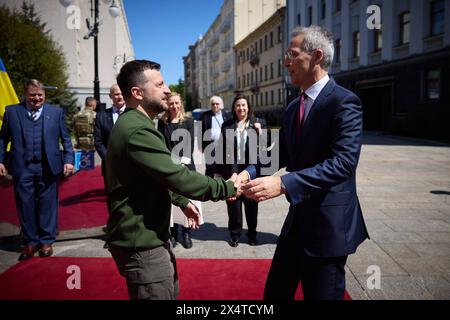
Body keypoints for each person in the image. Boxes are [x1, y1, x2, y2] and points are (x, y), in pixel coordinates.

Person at [236, 25, 369, 300]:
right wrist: (247, 174)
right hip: (297, 221)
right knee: (274, 292)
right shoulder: (293, 106)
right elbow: (280, 153)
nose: (286, 62)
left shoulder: (344, 102)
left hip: (328, 227)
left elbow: (343, 163)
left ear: (317, 56)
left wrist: (283, 183)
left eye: (292, 55)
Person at [106, 60, 238, 300]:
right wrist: (227, 187)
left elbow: (154, 176)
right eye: (160, 84)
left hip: (149, 239)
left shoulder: (138, 124)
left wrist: (180, 201)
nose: (167, 89)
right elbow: (177, 175)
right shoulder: (137, 130)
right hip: (143, 246)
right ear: (137, 93)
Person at [0, 79, 74, 261]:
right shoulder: (12, 112)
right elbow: (2, 139)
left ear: (44, 95)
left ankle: (46, 241)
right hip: (22, 167)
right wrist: (0, 160)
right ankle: (30, 242)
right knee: (25, 205)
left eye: (40, 95)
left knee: (48, 204)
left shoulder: (55, 113)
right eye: (32, 95)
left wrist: (69, 160)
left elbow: (66, 139)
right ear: (25, 94)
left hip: (48, 166)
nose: (36, 98)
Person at [216, 95, 265, 247]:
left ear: (248, 107)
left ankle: (252, 234)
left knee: (251, 205)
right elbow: (220, 149)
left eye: (244, 105)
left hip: (251, 172)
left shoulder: (259, 124)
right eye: (238, 105)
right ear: (234, 108)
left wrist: (261, 133)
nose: (241, 108)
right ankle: (235, 234)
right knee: (233, 207)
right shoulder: (227, 125)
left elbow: (267, 148)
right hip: (232, 172)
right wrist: (217, 171)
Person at [157, 92, 201, 249]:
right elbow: (161, 145)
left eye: (176, 103)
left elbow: (189, 145)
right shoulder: (162, 122)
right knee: (172, 201)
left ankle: (187, 233)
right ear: (167, 105)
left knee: (187, 199)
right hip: (169, 167)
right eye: (171, 104)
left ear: (181, 103)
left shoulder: (189, 121)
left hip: (186, 167)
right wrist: (169, 165)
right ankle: (174, 233)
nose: (174, 106)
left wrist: (182, 164)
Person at [94, 84, 125, 191]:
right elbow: (98, 142)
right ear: (110, 96)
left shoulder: (134, 113)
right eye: (116, 94)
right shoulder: (101, 116)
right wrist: (109, 159)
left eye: (122, 93)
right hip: (110, 166)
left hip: (131, 165)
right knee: (112, 198)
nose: (120, 96)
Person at [200, 95, 231, 177]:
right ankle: (208, 186)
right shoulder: (205, 115)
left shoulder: (227, 115)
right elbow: (200, 132)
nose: (215, 106)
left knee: (223, 167)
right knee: (210, 168)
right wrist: (202, 147)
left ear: (221, 105)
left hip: (223, 146)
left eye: (217, 104)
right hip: (210, 146)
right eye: (213, 104)